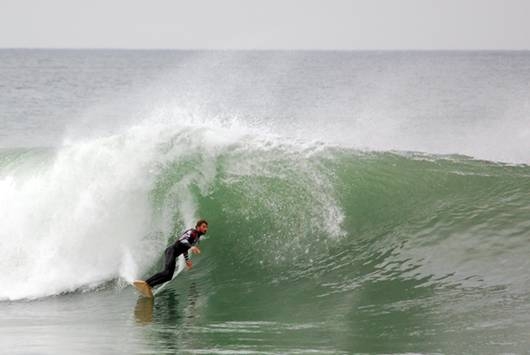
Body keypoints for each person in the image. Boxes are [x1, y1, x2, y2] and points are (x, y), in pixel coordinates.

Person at [137, 219, 208, 293]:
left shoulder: (196, 238)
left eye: (206, 227)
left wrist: (187, 260)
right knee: (166, 272)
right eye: (204, 226)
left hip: (174, 255)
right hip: (171, 251)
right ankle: (146, 283)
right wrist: (191, 247)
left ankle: (150, 285)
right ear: (198, 227)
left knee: (169, 276)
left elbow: (185, 249)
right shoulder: (192, 232)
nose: (206, 229)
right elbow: (182, 240)